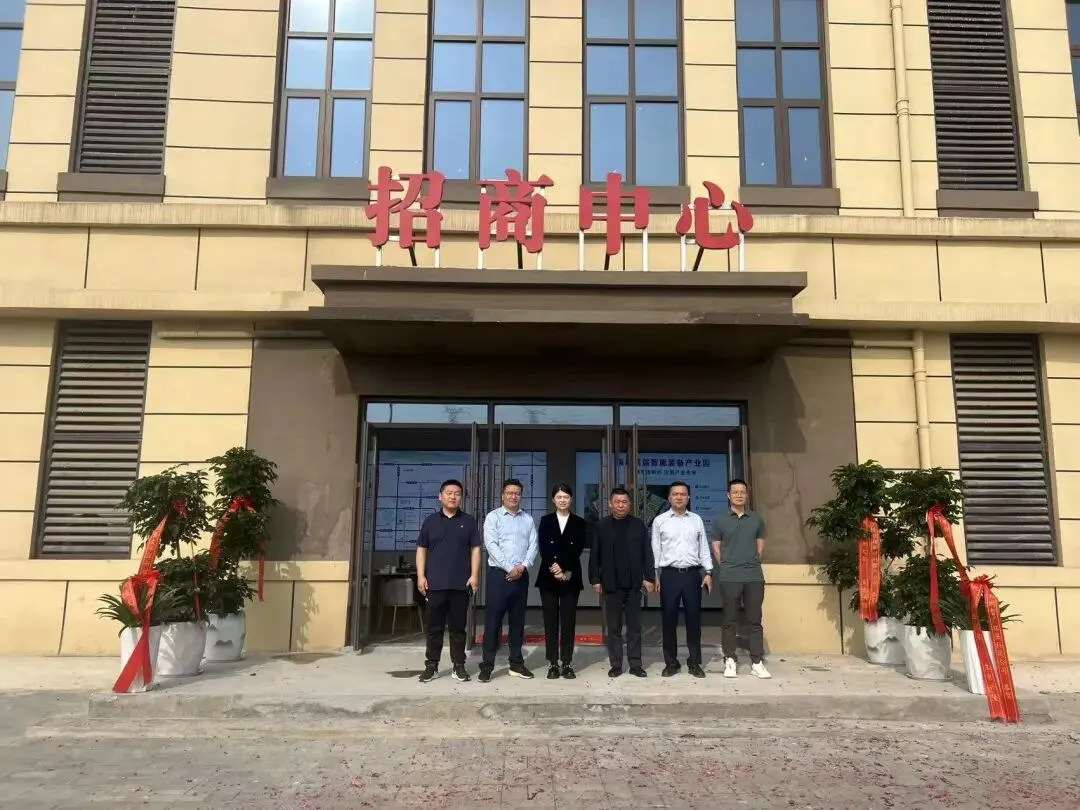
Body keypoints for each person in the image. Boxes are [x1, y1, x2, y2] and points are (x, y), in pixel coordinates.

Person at [415, 479, 482, 683]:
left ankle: (458, 666)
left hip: (460, 585)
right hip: (435, 584)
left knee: (458, 629)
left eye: (457, 493)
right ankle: (431, 666)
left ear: (461, 498)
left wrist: (474, 575)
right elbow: (421, 549)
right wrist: (420, 575)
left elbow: (476, 549)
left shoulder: (468, 521)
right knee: (434, 628)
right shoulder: (430, 521)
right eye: (449, 493)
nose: (453, 496)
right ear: (440, 496)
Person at [589, 486, 656, 678]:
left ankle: (635, 664)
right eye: (617, 502)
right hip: (611, 584)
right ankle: (616, 664)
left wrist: (649, 577)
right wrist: (595, 579)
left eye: (624, 502)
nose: (621, 505)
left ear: (630, 504)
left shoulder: (638, 525)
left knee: (634, 627)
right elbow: (595, 555)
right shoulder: (601, 526)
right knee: (614, 627)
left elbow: (647, 553)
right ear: (610, 504)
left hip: (634, 584)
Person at [479, 477, 538, 682]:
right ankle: (487, 666)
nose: (513, 496)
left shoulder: (528, 519)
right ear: (502, 495)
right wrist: (510, 568)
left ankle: (516, 664)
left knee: (517, 622)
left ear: (521, 496)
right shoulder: (493, 517)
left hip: (521, 575)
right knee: (493, 622)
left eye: (517, 493)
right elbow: (491, 545)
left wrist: (523, 566)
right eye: (510, 493)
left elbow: (533, 545)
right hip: (499, 575)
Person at [651, 481, 712, 678]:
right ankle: (671, 662)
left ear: (688, 497)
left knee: (694, 619)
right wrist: (655, 575)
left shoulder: (696, 520)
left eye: (683, 494)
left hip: (692, 575)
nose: (679, 497)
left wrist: (708, 572)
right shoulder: (660, 521)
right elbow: (656, 549)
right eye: (675, 494)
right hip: (669, 575)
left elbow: (703, 547)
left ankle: (694, 662)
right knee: (669, 620)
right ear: (669, 498)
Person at [713, 478, 771, 679]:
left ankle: (757, 661)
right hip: (730, 576)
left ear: (747, 495)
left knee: (755, 620)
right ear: (728, 495)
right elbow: (716, 547)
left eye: (742, 492)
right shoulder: (720, 520)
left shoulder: (756, 519)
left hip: (754, 576)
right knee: (730, 620)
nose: (739, 495)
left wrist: (752, 561)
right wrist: (727, 565)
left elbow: (760, 545)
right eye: (735, 492)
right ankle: (730, 659)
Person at [535, 483, 586, 679]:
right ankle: (552, 663)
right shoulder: (546, 520)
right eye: (559, 497)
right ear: (553, 500)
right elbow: (543, 547)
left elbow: (578, 548)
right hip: (548, 577)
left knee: (568, 621)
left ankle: (567, 662)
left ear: (571, 499)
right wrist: (555, 568)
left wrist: (563, 568)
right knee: (550, 622)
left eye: (566, 497)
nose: (562, 500)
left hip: (570, 576)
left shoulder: (579, 522)